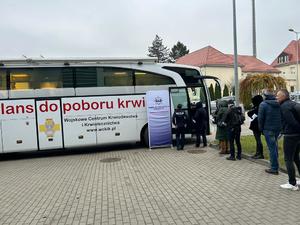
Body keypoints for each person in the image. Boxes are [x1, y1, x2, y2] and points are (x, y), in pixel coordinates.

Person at [276, 89, 300, 190]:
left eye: (278, 96)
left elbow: (291, 122)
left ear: (284, 96)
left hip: (291, 135)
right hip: (297, 135)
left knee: (288, 159)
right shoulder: (294, 104)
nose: (276, 97)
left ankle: (292, 183)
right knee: (295, 157)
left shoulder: (284, 107)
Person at [258, 89, 282, 175]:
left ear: (266, 96)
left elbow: (260, 119)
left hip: (268, 129)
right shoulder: (279, 103)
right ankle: (275, 165)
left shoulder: (263, 104)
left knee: (272, 148)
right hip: (277, 129)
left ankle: (274, 168)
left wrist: (260, 129)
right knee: (274, 147)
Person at [247, 95, 264, 159]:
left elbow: (249, 113)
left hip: (256, 126)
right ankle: (257, 153)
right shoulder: (260, 106)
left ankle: (260, 154)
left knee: (258, 140)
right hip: (258, 125)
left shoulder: (258, 107)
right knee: (258, 140)